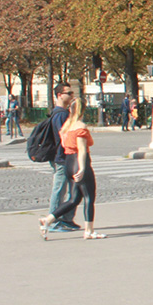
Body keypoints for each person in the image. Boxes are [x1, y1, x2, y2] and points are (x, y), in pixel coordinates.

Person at [39, 97, 104, 239]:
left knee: (74, 199)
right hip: (78, 162)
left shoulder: (66, 126)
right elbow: (81, 150)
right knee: (89, 197)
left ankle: (48, 219)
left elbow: (65, 144)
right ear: (83, 110)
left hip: (68, 162)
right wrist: (82, 168)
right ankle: (89, 231)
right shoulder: (80, 126)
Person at [46, 84, 81, 233]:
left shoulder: (62, 112)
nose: (72, 95)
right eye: (69, 93)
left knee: (71, 189)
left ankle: (67, 218)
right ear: (60, 95)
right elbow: (63, 136)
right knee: (59, 189)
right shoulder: (60, 114)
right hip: (62, 157)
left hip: (65, 156)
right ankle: (53, 221)